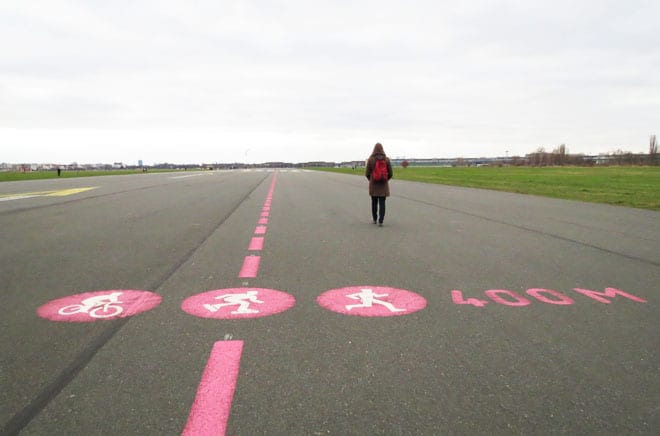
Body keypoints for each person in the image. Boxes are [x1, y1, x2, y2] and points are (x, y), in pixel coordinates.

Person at [365, 143, 393, 226]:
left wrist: (371, 180)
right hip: (383, 185)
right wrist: (385, 179)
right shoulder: (386, 160)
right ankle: (381, 220)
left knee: (374, 202)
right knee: (382, 203)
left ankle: (374, 219)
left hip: (373, 184)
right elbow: (391, 173)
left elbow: (367, 173)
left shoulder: (370, 160)